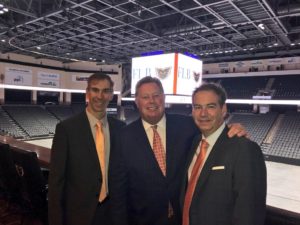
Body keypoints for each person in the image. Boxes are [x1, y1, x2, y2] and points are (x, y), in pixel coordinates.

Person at [109, 76, 247, 225]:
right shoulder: (123, 137)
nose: (152, 101)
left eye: (156, 95)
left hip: (183, 219)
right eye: (145, 97)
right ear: (137, 101)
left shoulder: (188, 126)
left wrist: (231, 128)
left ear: (164, 97)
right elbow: (118, 193)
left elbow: (213, 128)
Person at [180, 83, 266, 225]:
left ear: (223, 109)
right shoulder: (194, 141)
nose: (203, 113)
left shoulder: (244, 149)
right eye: (198, 107)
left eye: (211, 106)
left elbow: (250, 213)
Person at [48, 73, 126, 225]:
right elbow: (56, 183)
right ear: (87, 92)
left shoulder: (120, 128)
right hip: (79, 214)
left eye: (105, 91)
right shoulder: (66, 129)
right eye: (95, 90)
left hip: (114, 213)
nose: (100, 96)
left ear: (111, 95)